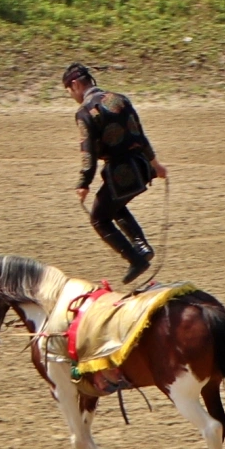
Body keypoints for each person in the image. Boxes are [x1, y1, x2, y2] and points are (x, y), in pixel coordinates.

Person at [63, 63, 168, 284]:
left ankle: (136, 260)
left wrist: (83, 182)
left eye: (69, 91)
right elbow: (140, 135)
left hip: (121, 174)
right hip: (141, 167)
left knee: (99, 218)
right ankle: (141, 245)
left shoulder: (84, 112)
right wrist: (155, 164)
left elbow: (88, 152)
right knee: (114, 204)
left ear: (75, 84)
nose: (71, 96)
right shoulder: (120, 99)